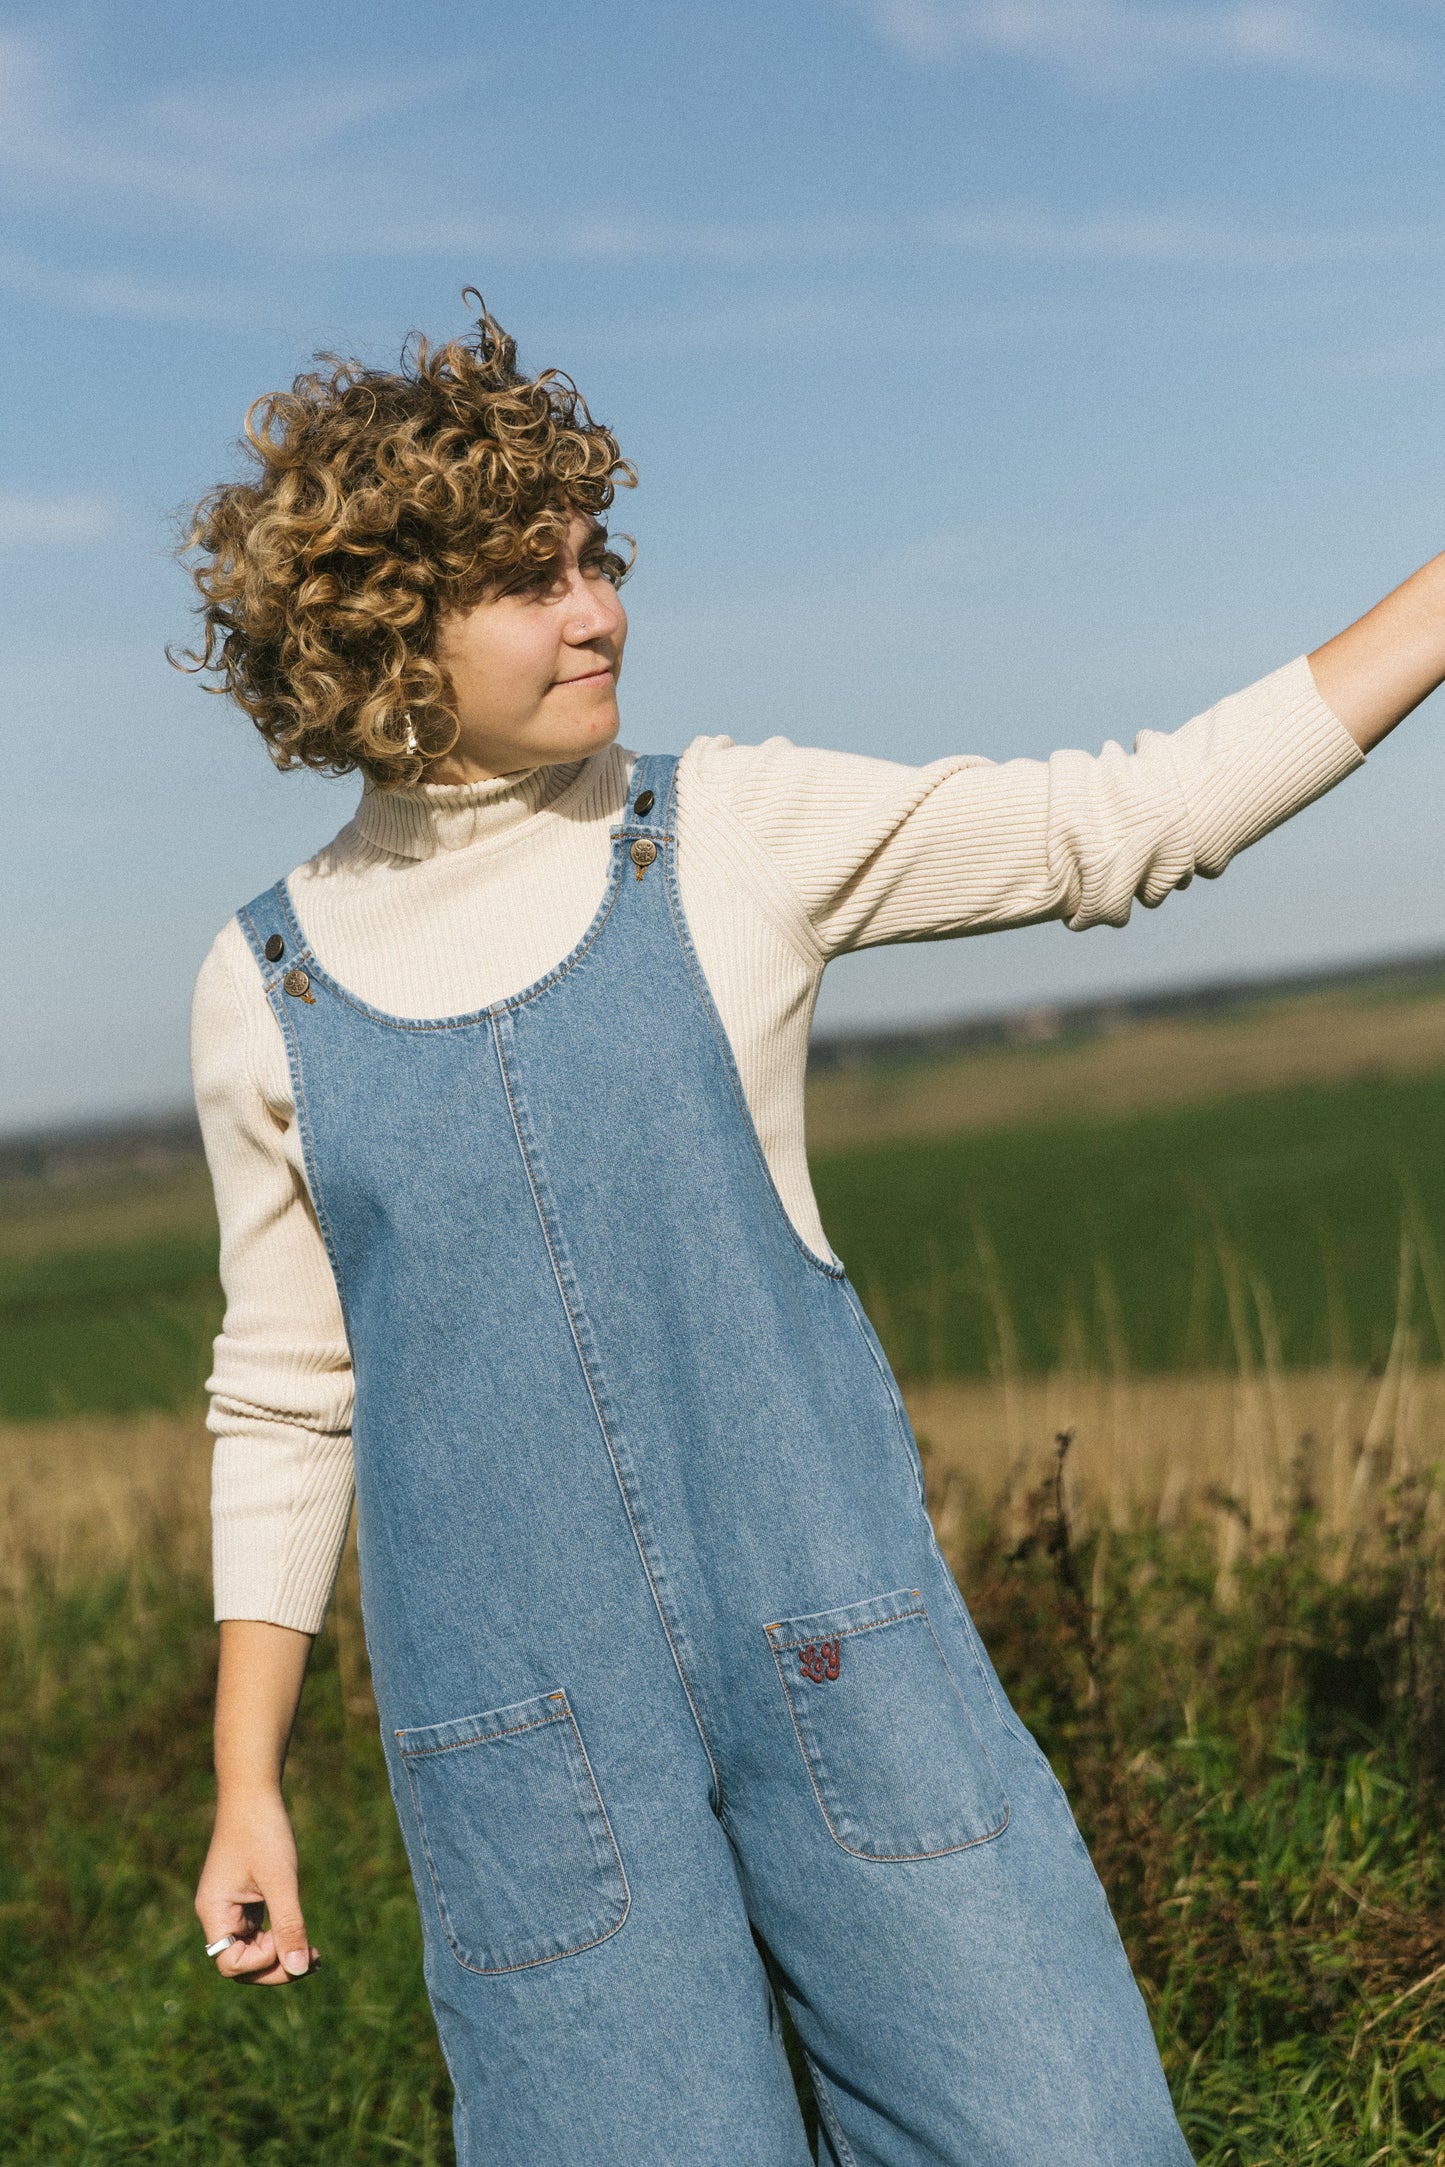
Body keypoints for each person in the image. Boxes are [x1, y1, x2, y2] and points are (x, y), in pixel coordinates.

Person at [185, 297, 1441, 2167]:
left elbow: (1135, 818)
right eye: (529, 581)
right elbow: (288, 1394)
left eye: (597, 556)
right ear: (382, 625)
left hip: (848, 1676)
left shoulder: (732, 837)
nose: (599, 607)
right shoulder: (263, 982)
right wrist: (245, 1777)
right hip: (523, 1762)